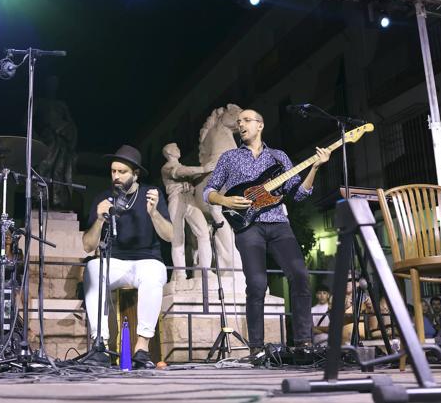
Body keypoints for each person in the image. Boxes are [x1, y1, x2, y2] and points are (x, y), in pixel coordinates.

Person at [203, 108, 331, 358]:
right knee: (257, 284)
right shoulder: (229, 158)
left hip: (278, 223)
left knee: (300, 276)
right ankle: (257, 348)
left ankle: (304, 342)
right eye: (239, 122)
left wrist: (315, 168)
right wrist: (225, 202)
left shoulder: (278, 157)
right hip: (247, 226)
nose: (241, 125)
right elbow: (209, 190)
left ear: (260, 125)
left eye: (247, 121)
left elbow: (298, 193)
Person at [82, 145, 172, 368]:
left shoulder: (151, 194)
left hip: (147, 260)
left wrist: (154, 213)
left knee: (153, 273)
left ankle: (142, 348)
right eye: (113, 171)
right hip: (116, 262)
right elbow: (87, 246)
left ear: (135, 174)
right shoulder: (103, 198)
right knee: (93, 269)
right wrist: (100, 219)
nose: (116, 176)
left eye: (122, 172)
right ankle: (100, 344)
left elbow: (170, 236)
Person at [160, 142, 215, 282]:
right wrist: (204, 169)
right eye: (175, 148)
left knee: (203, 232)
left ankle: (206, 270)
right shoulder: (167, 167)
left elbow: (186, 174)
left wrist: (190, 186)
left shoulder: (182, 166)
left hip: (189, 200)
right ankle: (180, 274)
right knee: (177, 239)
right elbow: (180, 171)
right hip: (176, 200)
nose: (178, 149)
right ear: (169, 152)